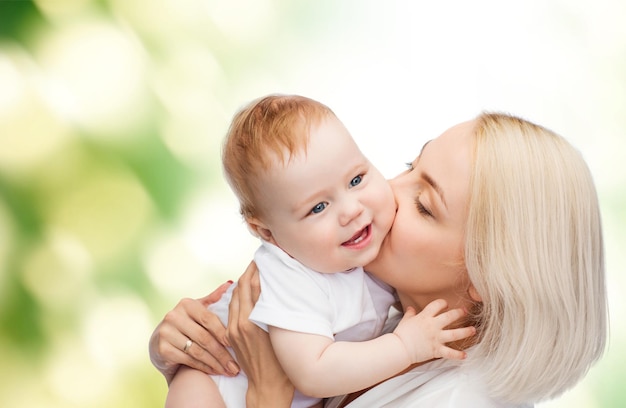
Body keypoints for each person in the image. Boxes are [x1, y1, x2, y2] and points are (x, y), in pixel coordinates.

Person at [150, 112, 607, 407]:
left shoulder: (457, 400)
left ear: (488, 276)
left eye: (425, 205)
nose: (386, 192)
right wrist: (194, 348)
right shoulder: (378, 316)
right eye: (410, 166)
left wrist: (268, 395)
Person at [163, 94, 475, 408]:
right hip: (214, 382)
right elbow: (314, 372)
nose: (351, 211)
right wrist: (405, 346)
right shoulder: (289, 277)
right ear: (268, 233)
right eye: (318, 207)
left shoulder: (368, 259)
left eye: (356, 179)